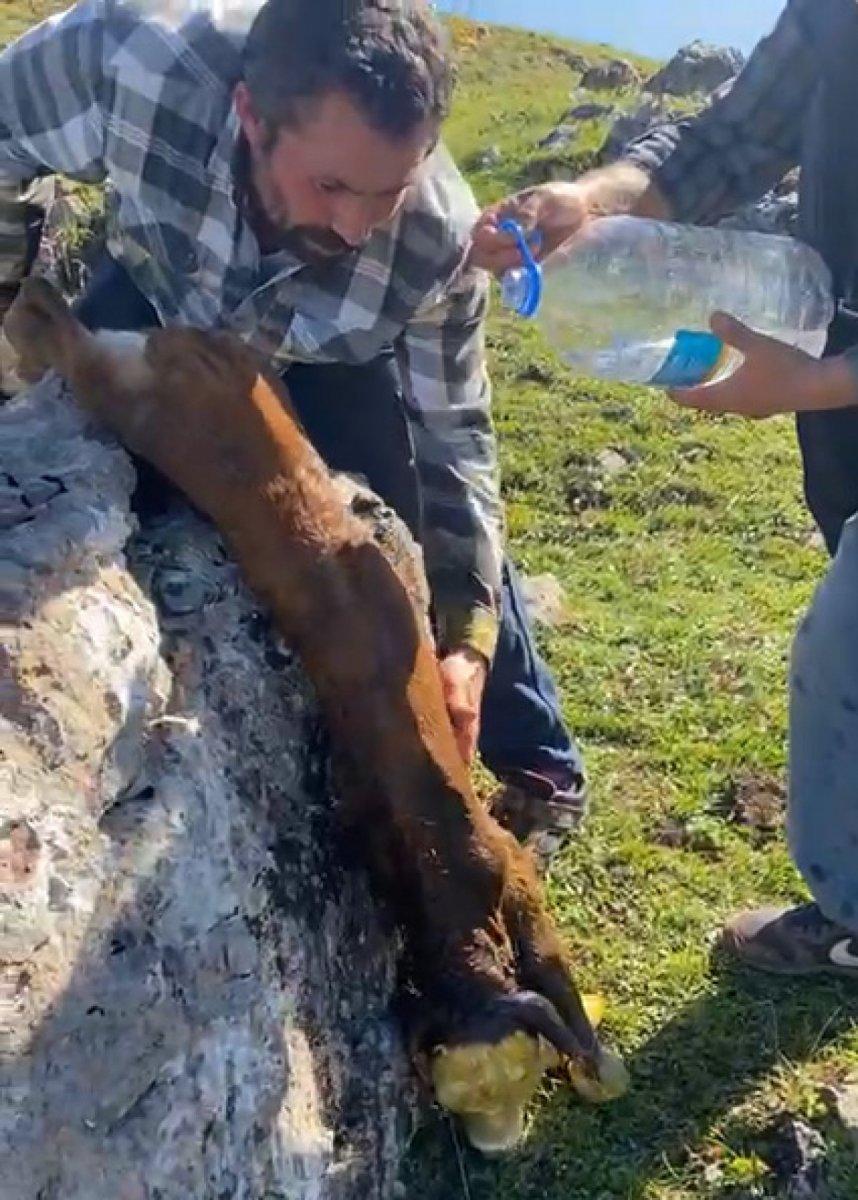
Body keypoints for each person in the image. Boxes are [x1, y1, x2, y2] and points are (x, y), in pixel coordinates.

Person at [0, 0, 585, 859]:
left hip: (337, 360)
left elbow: (453, 439)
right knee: (61, 450)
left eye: (388, 190)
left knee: (409, 525)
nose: (355, 226)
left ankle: (538, 763)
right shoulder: (127, 61)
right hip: (169, 301)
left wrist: (467, 647)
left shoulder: (435, 244)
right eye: (332, 186)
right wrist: (11, 299)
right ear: (249, 114)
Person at [471, 0, 858, 973]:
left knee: (844, 650)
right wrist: (593, 198)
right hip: (834, 387)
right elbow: (726, 139)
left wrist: (820, 380)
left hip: (830, 374)